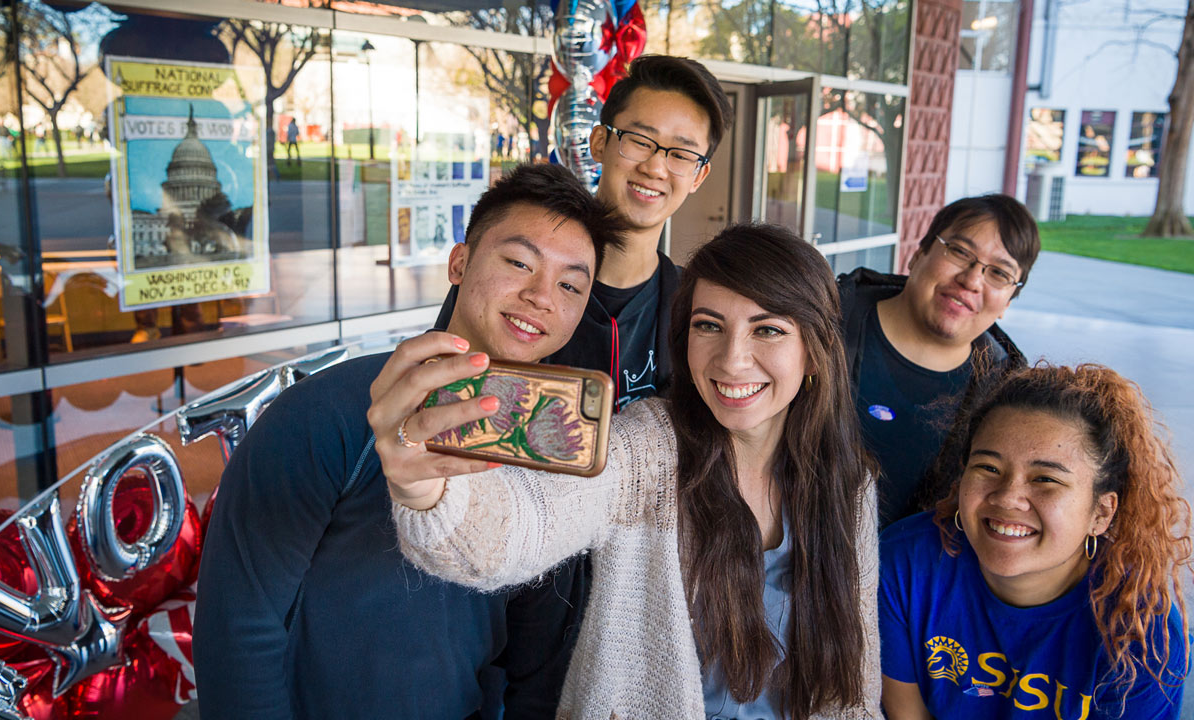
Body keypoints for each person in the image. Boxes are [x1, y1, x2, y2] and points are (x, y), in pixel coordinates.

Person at [378, 224, 880, 719]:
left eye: (767, 329)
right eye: (709, 325)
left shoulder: (849, 486)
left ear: (813, 351)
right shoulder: (646, 451)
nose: (732, 359)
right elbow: (520, 527)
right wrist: (423, 486)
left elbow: (855, 692)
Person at [193, 163, 626, 719]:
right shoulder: (324, 412)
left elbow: (533, 656)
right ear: (460, 261)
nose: (542, 296)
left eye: (571, 285)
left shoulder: (552, 449)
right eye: (519, 262)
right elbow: (239, 624)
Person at [879, 364, 1190, 719]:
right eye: (988, 468)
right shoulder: (904, 562)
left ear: (1100, 513)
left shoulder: (1140, 631)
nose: (1008, 498)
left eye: (1045, 479)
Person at [436, 55, 734, 409]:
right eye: (639, 140)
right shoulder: (510, 281)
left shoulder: (693, 306)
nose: (655, 167)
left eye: (682, 155)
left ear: (698, 176)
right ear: (599, 143)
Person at [838, 194, 1040, 529]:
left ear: (1008, 301)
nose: (972, 280)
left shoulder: (1006, 393)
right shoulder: (826, 325)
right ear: (918, 254)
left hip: (912, 578)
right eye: (960, 252)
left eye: (999, 273)